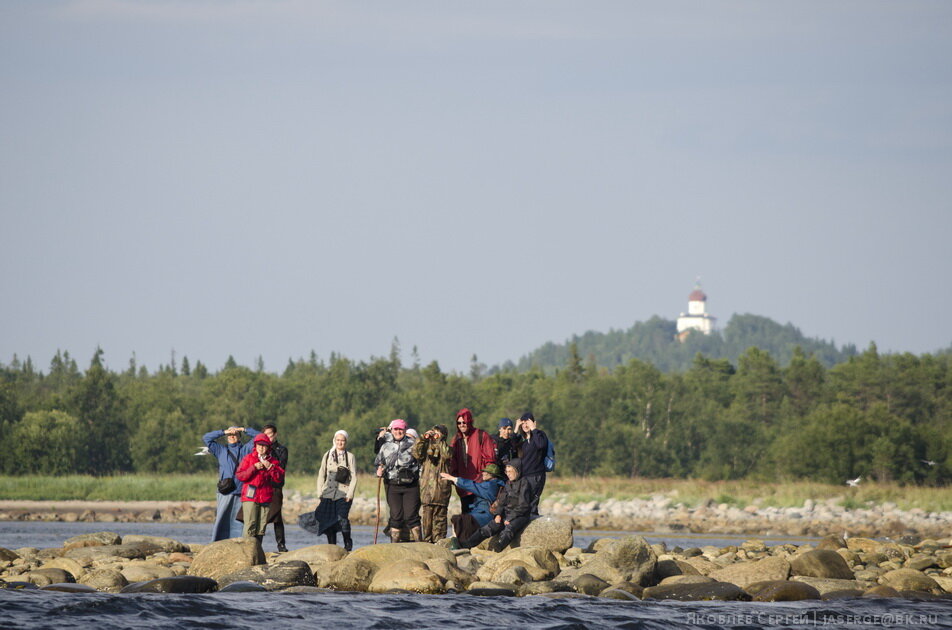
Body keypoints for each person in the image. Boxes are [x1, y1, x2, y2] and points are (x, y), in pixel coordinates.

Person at [459, 458, 532, 552]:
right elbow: (501, 502)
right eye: (507, 471)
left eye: (510, 471)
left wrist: (510, 518)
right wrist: (498, 514)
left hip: (521, 515)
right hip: (507, 513)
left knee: (509, 528)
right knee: (490, 526)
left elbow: (524, 506)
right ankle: (467, 544)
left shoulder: (525, 483)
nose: (508, 474)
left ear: (517, 471)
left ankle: (498, 549)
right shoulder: (508, 483)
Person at [203, 425, 261, 541]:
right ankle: (217, 543)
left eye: (235, 434)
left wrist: (243, 430)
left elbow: (260, 437)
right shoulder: (220, 450)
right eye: (230, 435)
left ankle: (237, 543)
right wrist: (223, 431)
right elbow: (206, 438)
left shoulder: (246, 449)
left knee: (238, 521)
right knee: (221, 519)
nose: (232, 436)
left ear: (239, 436)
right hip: (225, 491)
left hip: (241, 491)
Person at [375, 419, 422, 542]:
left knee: (411, 516)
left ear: (405, 430)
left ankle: (420, 545)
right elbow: (379, 462)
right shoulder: (385, 446)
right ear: (392, 430)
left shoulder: (414, 445)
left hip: (410, 486)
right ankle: (394, 547)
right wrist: (379, 469)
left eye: (401, 429)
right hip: (393, 486)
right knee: (395, 517)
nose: (398, 431)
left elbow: (422, 464)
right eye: (396, 429)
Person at [235, 433, 285, 541]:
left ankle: (257, 549)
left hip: (266, 497)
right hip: (250, 496)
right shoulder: (248, 458)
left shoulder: (273, 461)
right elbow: (240, 475)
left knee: (261, 526)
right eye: (259, 445)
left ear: (268, 447)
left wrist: (271, 468)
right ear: (255, 446)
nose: (261, 448)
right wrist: (253, 468)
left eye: (264, 445)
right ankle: (247, 549)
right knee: (250, 523)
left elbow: (279, 479)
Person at [440, 463, 505, 543]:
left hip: (485, 516)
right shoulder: (495, 484)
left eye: (487, 472)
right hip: (482, 514)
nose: (483, 473)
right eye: (484, 471)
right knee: (460, 520)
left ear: (493, 475)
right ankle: (458, 542)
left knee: (459, 519)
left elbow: (472, 485)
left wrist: (453, 478)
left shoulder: (490, 485)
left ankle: (457, 543)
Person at [315, 430, 357, 551]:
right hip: (328, 492)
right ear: (334, 440)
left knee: (342, 518)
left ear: (346, 442)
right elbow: (321, 474)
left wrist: (350, 493)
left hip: (344, 493)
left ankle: (347, 543)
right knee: (329, 521)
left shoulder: (350, 457)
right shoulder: (327, 454)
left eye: (342, 440)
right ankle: (332, 547)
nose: (340, 442)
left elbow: (354, 477)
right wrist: (320, 492)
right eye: (338, 440)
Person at [449, 408, 496, 515]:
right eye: (459, 422)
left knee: (480, 519)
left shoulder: (482, 435)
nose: (461, 425)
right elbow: (453, 461)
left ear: (469, 421)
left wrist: (485, 480)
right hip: (463, 488)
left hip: (479, 487)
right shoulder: (456, 439)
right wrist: (455, 480)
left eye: (464, 422)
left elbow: (490, 460)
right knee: (467, 520)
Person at [412, 424, 452, 543]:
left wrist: (440, 440)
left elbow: (446, 455)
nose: (434, 435)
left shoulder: (447, 448)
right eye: (434, 432)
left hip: (441, 493)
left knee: (439, 525)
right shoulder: (426, 450)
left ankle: (439, 545)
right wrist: (423, 438)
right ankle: (428, 544)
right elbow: (415, 452)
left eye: (438, 433)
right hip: (427, 493)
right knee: (427, 524)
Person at [515, 412, 549, 517]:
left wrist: (534, 429)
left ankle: (533, 525)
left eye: (527, 423)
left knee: (532, 505)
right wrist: (516, 428)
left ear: (533, 423)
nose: (525, 425)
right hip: (524, 476)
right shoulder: (523, 440)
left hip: (536, 475)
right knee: (523, 503)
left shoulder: (539, 435)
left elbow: (541, 445)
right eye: (523, 423)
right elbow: (511, 447)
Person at [262, 424, 289, 552]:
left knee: (277, 515)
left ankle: (281, 544)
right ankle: (257, 541)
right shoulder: (261, 449)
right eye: (266, 435)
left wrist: (270, 459)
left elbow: (282, 466)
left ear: (275, 434)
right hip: (263, 485)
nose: (268, 437)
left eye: (270, 435)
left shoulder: (281, 449)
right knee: (261, 515)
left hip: (276, 485)